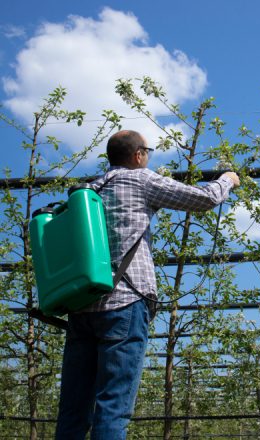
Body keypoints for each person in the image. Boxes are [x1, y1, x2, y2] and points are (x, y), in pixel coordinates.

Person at [55, 130, 240, 439]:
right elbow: (204, 199)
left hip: (81, 306)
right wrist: (227, 180)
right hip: (124, 302)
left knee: (73, 409)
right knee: (113, 406)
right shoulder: (139, 179)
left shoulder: (86, 191)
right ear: (139, 155)